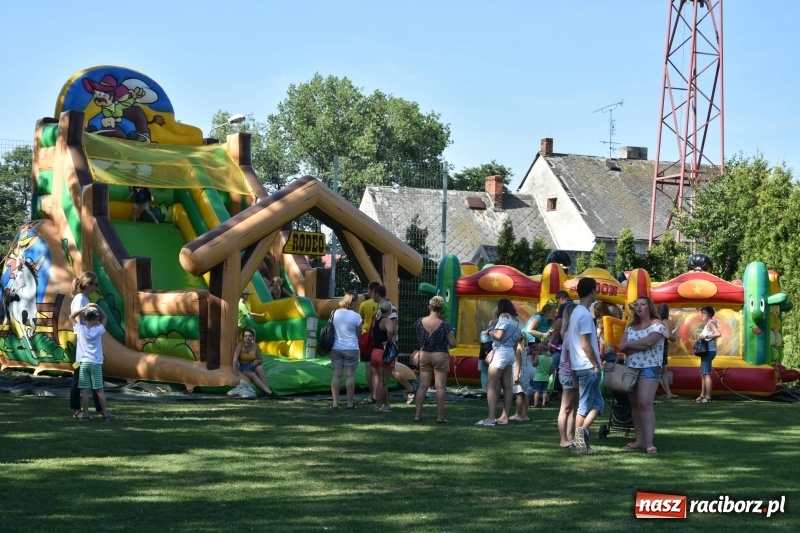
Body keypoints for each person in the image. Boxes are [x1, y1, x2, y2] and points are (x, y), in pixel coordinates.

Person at [617, 296, 667, 455]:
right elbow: (622, 347)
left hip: (650, 367)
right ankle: (639, 440)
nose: (639, 307)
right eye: (637, 305)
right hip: (631, 368)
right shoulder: (630, 327)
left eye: (643, 304)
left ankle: (649, 443)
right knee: (635, 405)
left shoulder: (658, 325)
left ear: (649, 307)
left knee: (645, 403)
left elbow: (649, 342)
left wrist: (630, 345)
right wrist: (631, 346)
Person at [569, 277, 602, 455]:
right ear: (592, 291)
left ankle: (580, 436)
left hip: (579, 365)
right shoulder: (585, 315)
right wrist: (596, 364)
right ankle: (578, 438)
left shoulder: (576, 312)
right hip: (588, 366)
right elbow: (585, 344)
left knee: (598, 404)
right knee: (585, 405)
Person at [476, 298, 521, 427]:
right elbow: (516, 342)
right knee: (507, 385)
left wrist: (489, 331)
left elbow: (499, 335)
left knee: (491, 385)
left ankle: (490, 418)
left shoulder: (503, 316)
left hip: (500, 352)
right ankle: (505, 417)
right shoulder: (516, 321)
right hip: (510, 354)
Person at [413, 296, 456, 423]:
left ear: (430, 306)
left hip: (425, 354)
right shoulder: (444, 325)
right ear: (441, 309)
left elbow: (420, 338)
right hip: (440, 355)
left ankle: (417, 415)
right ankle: (440, 416)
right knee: (440, 387)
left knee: (423, 386)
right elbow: (452, 343)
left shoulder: (419, 322)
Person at [372, 285, 416, 403]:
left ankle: (410, 388)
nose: (370, 295)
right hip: (383, 346)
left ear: (377, 293)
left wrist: (391, 344)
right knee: (385, 375)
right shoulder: (382, 308)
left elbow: (392, 328)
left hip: (387, 347)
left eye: (371, 292)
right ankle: (383, 402)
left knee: (388, 373)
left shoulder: (390, 309)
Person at [69, 272, 103, 419]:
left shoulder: (84, 298)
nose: (97, 287)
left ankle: (101, 410)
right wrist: (89, 334)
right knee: (79, 378)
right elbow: (78, 320)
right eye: (95, 284)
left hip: (86, 343)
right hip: (82, 344)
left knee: (95, 378)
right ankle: (77, 410)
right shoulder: (80, 299)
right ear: (88, 285)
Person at [68, 303, 111, 421]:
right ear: (97, 319)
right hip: (96, 363)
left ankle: (86, 414)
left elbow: (71, 317)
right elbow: (105, 317)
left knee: (85, 391)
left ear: (85, 318)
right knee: (99, 391)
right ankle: (105, 415)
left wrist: (83, 308)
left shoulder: (80, 329)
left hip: (84, 364)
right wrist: (97, 306)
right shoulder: (98, 330)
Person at [329, 292, 363, 409]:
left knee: (337, 375)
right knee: (349, 376)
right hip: (351, 348)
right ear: (352, 302)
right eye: (357, 302)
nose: (358, 304)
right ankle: (349, 403)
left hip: (336, 347)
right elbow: (359, 334)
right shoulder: (356, 316)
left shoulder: (335, 313)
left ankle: (335, 403)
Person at [232, 327, 279, 398]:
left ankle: (267, 392)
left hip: (253, 365)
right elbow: (235, 358)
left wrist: (257, 361)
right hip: (244, 367)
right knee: (253, 374)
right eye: (246, 336)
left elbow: (260, 359)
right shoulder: (240, 345)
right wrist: (234, 369)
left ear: (253, 337)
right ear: (243, 337)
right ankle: (270, 393)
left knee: (260, 367)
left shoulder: (256, 346)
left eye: (250, 336)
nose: (248, 337)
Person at [556, 303, 578, 449]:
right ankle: (564, 438)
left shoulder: (570, 333)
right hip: (568, 374)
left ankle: (570, 436)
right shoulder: (571, 334)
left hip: (570, 373)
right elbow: (571, 360)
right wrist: (575, 377)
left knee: (573, 407)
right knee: (566, 407)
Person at [370, 299, 397, 412]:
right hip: (384, 353)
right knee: (383, 381)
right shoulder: (387, 320)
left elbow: (371, 333)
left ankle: (386, 404)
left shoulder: (375, 320)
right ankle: (378, 406)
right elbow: (390, 331)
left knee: (382, 379)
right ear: (389, 310)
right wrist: (389, 342)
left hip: (374, 352)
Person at [358, 281, 380, 404]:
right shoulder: (385, 304)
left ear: (371, 290)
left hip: (366, 336)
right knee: (378, 368)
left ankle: (372, 394)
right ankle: (378, 394)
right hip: (378, 337)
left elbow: (359, 319)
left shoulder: (364, 304)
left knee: (368, 366)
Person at [696, 306, 721, 404]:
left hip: (708, 351)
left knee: (706, 373)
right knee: (703, 373)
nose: (702, 315)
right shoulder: (708, 324)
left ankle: (708, 396)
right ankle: (703, 395)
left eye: (704, 313)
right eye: (701, 313)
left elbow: (718, 333)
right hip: (706, 351)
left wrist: (705, 336)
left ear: (710, 314)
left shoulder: (711, 322)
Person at [657, 303, 678, 399]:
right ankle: (668, 393)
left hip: (654, 346)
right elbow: (668, 336)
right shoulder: (665, 321)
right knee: (663, 371)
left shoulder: (654, 321)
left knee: (660, 370)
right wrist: (675, 338)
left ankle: (667, 392)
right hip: (661, 347)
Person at [509, 336, 533, 421]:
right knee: (525, 394)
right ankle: (525, 414)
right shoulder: (524, 349)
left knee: (519, 394)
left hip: (519, 373)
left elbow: (518, 363)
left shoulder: (518, 349)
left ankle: (517, 414)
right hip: (525, 373)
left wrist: (516, 375)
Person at [531, 342, 554, 408]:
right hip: (546, 377)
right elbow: (551, 369)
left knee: (537, 391)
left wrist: (536, 356)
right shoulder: (551, 358)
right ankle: (543, 403)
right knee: (545, 391)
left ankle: (536, 403)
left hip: (538, 377)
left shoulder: (538, 357)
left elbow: (534, 364)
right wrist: (548, 374)